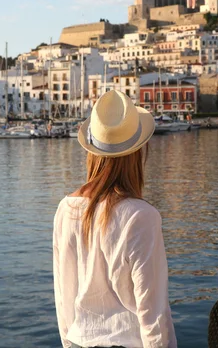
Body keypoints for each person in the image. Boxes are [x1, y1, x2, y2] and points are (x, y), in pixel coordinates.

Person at [53, 90, 177, 348]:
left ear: (91, 152)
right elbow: (153, 313)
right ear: (137, 153)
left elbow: (64, 297)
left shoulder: (67, 209)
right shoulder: (141, 216)